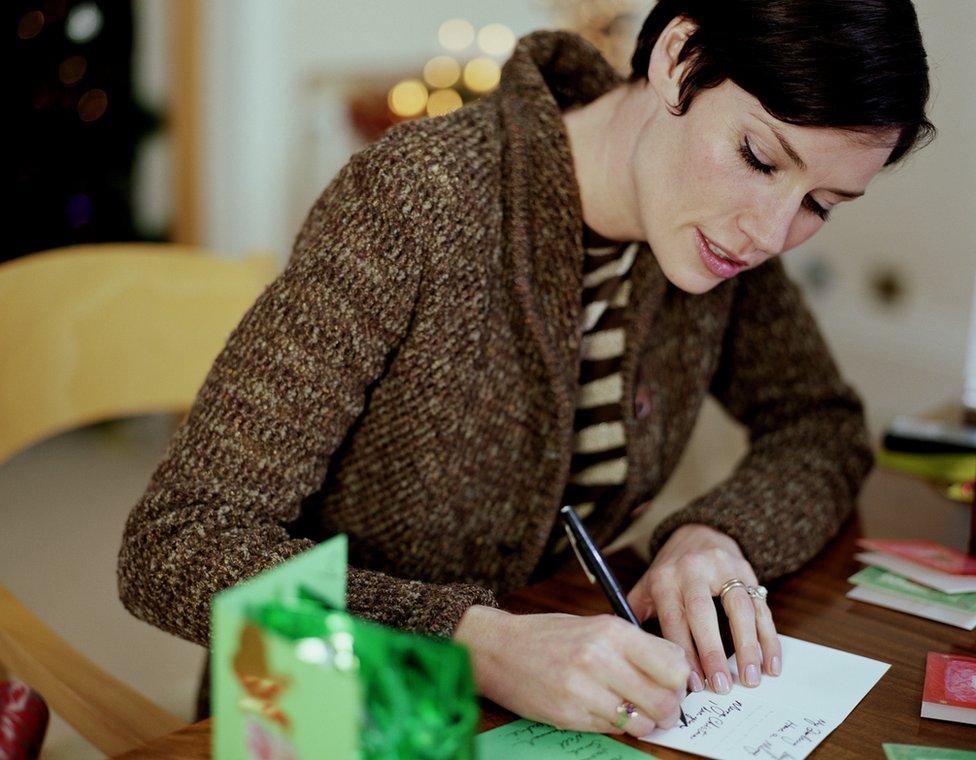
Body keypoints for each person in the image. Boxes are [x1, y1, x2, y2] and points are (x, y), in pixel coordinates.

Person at [118, 0, 934, 739]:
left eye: (821, 205)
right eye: (758, 156)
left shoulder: (715, 243)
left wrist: (711, 535)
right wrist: (478, 643)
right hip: (322, 707)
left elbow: (819, 423)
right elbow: (175, 547)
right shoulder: (416, 198)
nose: (769, 230)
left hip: (539, 700)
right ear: (678, 60)